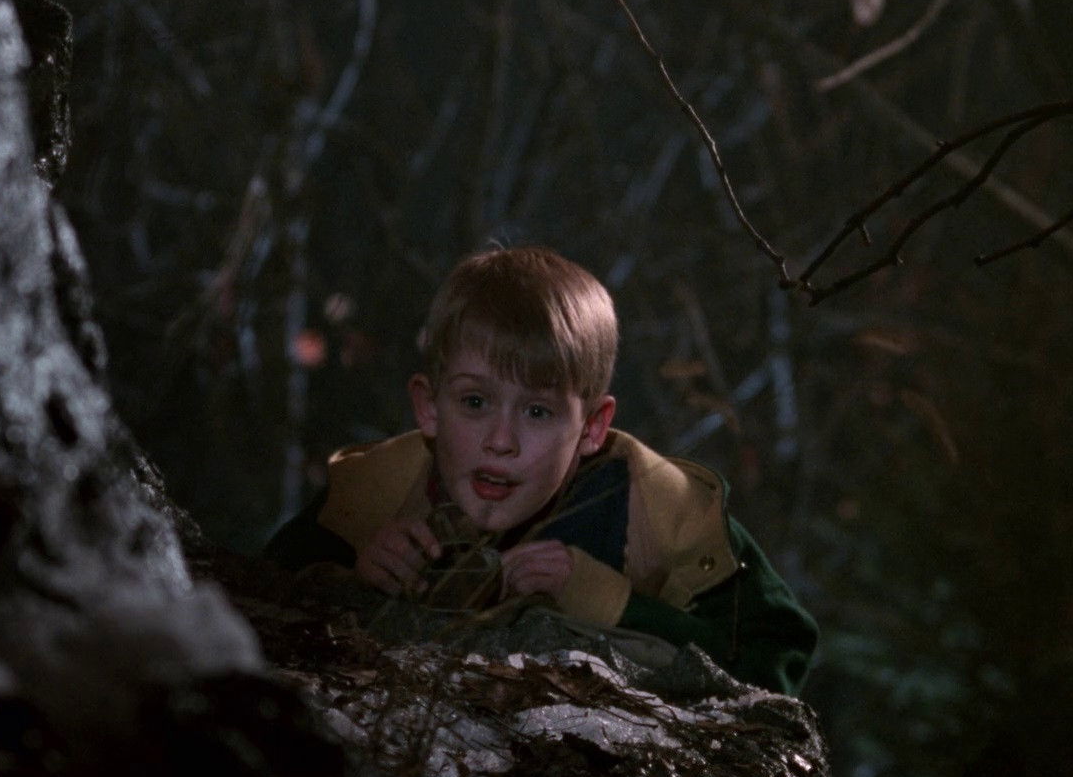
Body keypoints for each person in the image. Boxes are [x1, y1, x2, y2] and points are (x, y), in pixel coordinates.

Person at [264, 246, 817, 696]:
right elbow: (251, 604)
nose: (501, 441)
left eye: (537, 412)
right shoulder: (374, 492)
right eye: (475, 402)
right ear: (428, 407)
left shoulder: (663, 509)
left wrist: (611, 602)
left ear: (592, 427)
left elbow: (774, 665)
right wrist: (353, 576)